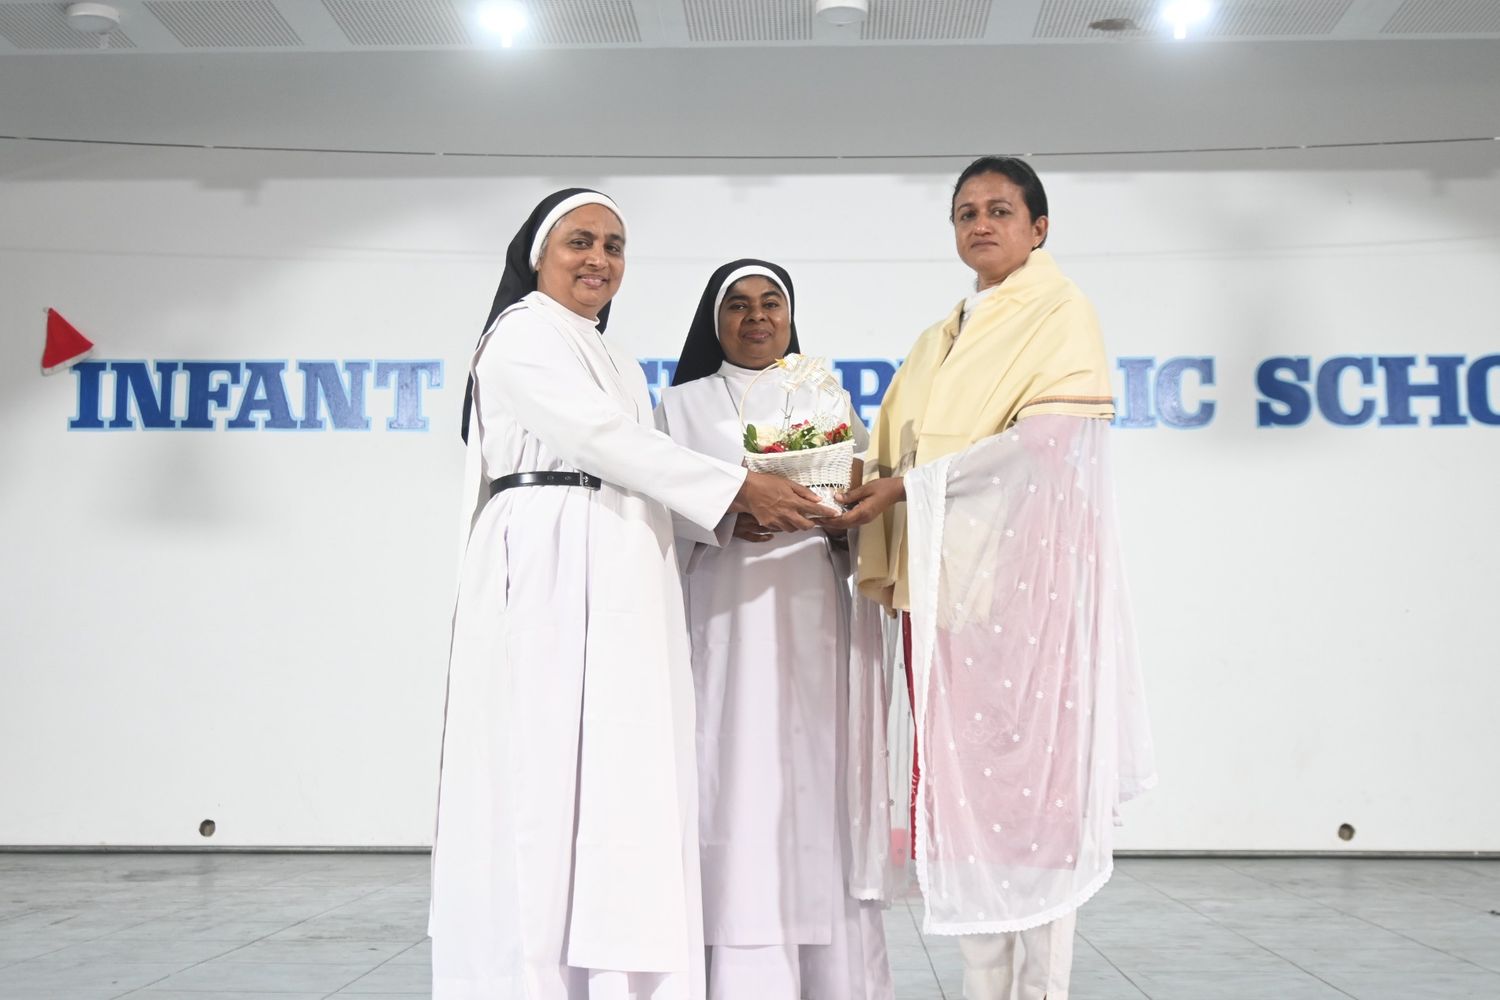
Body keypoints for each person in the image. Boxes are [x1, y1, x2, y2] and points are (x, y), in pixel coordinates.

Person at [430, 191, 829, 1000]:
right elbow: (601, 440)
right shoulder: (519, 335)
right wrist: (733, 488)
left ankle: (613, 973)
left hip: (616, 559)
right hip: (544, 559)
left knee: (620, 774)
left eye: (613, 246)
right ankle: (531, 976)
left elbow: (634, 466)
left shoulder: (612, 355)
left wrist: (728, 519)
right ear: (537, 257)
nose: (599, 259)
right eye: (580, 241)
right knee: (542, 776)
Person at [825, 159, 1157, 1000]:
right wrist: (823, 465)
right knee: (961, 796)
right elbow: (890, 447)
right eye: (966, 212)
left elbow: (1046, 446)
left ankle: (1040, 989)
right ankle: (983, 988)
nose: (981, 224)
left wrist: (910, 489)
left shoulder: (1060, 312)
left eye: (1000, 210)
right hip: (940, 598)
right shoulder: (941, 335)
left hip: (1021, 596)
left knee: (1036, 803)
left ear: (1039, 227)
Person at [654, 260, 893, 1000]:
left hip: (814, 611)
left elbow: (858, 493)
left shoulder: (825, 396)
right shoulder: (680, 406)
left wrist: (846, 518)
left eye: (770, 304)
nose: (756, 317)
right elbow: (652, 505)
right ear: (715, 321)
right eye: (738, 305)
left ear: (789, 318)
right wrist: (727, 513)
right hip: (723, 613)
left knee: (814, 776)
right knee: (734, 777)